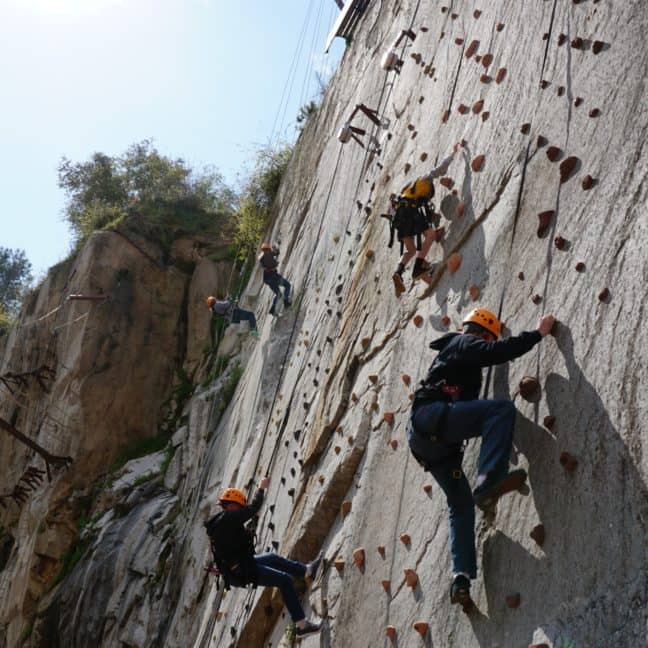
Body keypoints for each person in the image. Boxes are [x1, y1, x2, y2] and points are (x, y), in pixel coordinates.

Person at [407, 307, 556, 606]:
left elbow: (474, 408)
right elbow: (494, 353)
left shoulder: (460, 365)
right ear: (481, 332)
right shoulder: (462, 342)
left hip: (431, 444)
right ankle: (488, 482)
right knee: (500, 410)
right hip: (434, 419)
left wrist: (498, 439)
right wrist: (537, 334)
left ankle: (459, 578)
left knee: (460, 504)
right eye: (486, 337)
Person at [204, 478, 322, 639]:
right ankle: (302, 626)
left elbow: (237, 541)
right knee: (284, 580)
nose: (241, 511)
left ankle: (307, 571)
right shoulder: (227, 519)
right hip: (242, 570)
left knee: (272, 558)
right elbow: (253, 508)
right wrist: (261, 488)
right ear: (232, 505)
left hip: (242, 564)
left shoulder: (223, 522)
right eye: (240, 507)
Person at [388, 143, 463, 297]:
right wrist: (453, 153)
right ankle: (419, 267)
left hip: (399, 220)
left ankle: (399, 272)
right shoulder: (424, 180)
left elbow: (424, 219)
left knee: (411, 250)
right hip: (409, 212)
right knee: (430, 236)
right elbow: (440, 169)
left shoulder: (409, 193)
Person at [258, 242, 292, 316]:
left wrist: (274, 263)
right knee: (287, 285)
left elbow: (266, 261)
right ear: (268, 248)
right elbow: (276, 253)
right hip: (274, 277)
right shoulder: (268, 253)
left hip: (268, 280)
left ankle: (273, 310)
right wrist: (275, 247)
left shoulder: (261, 257)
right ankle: (286, 302)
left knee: (278, 294)